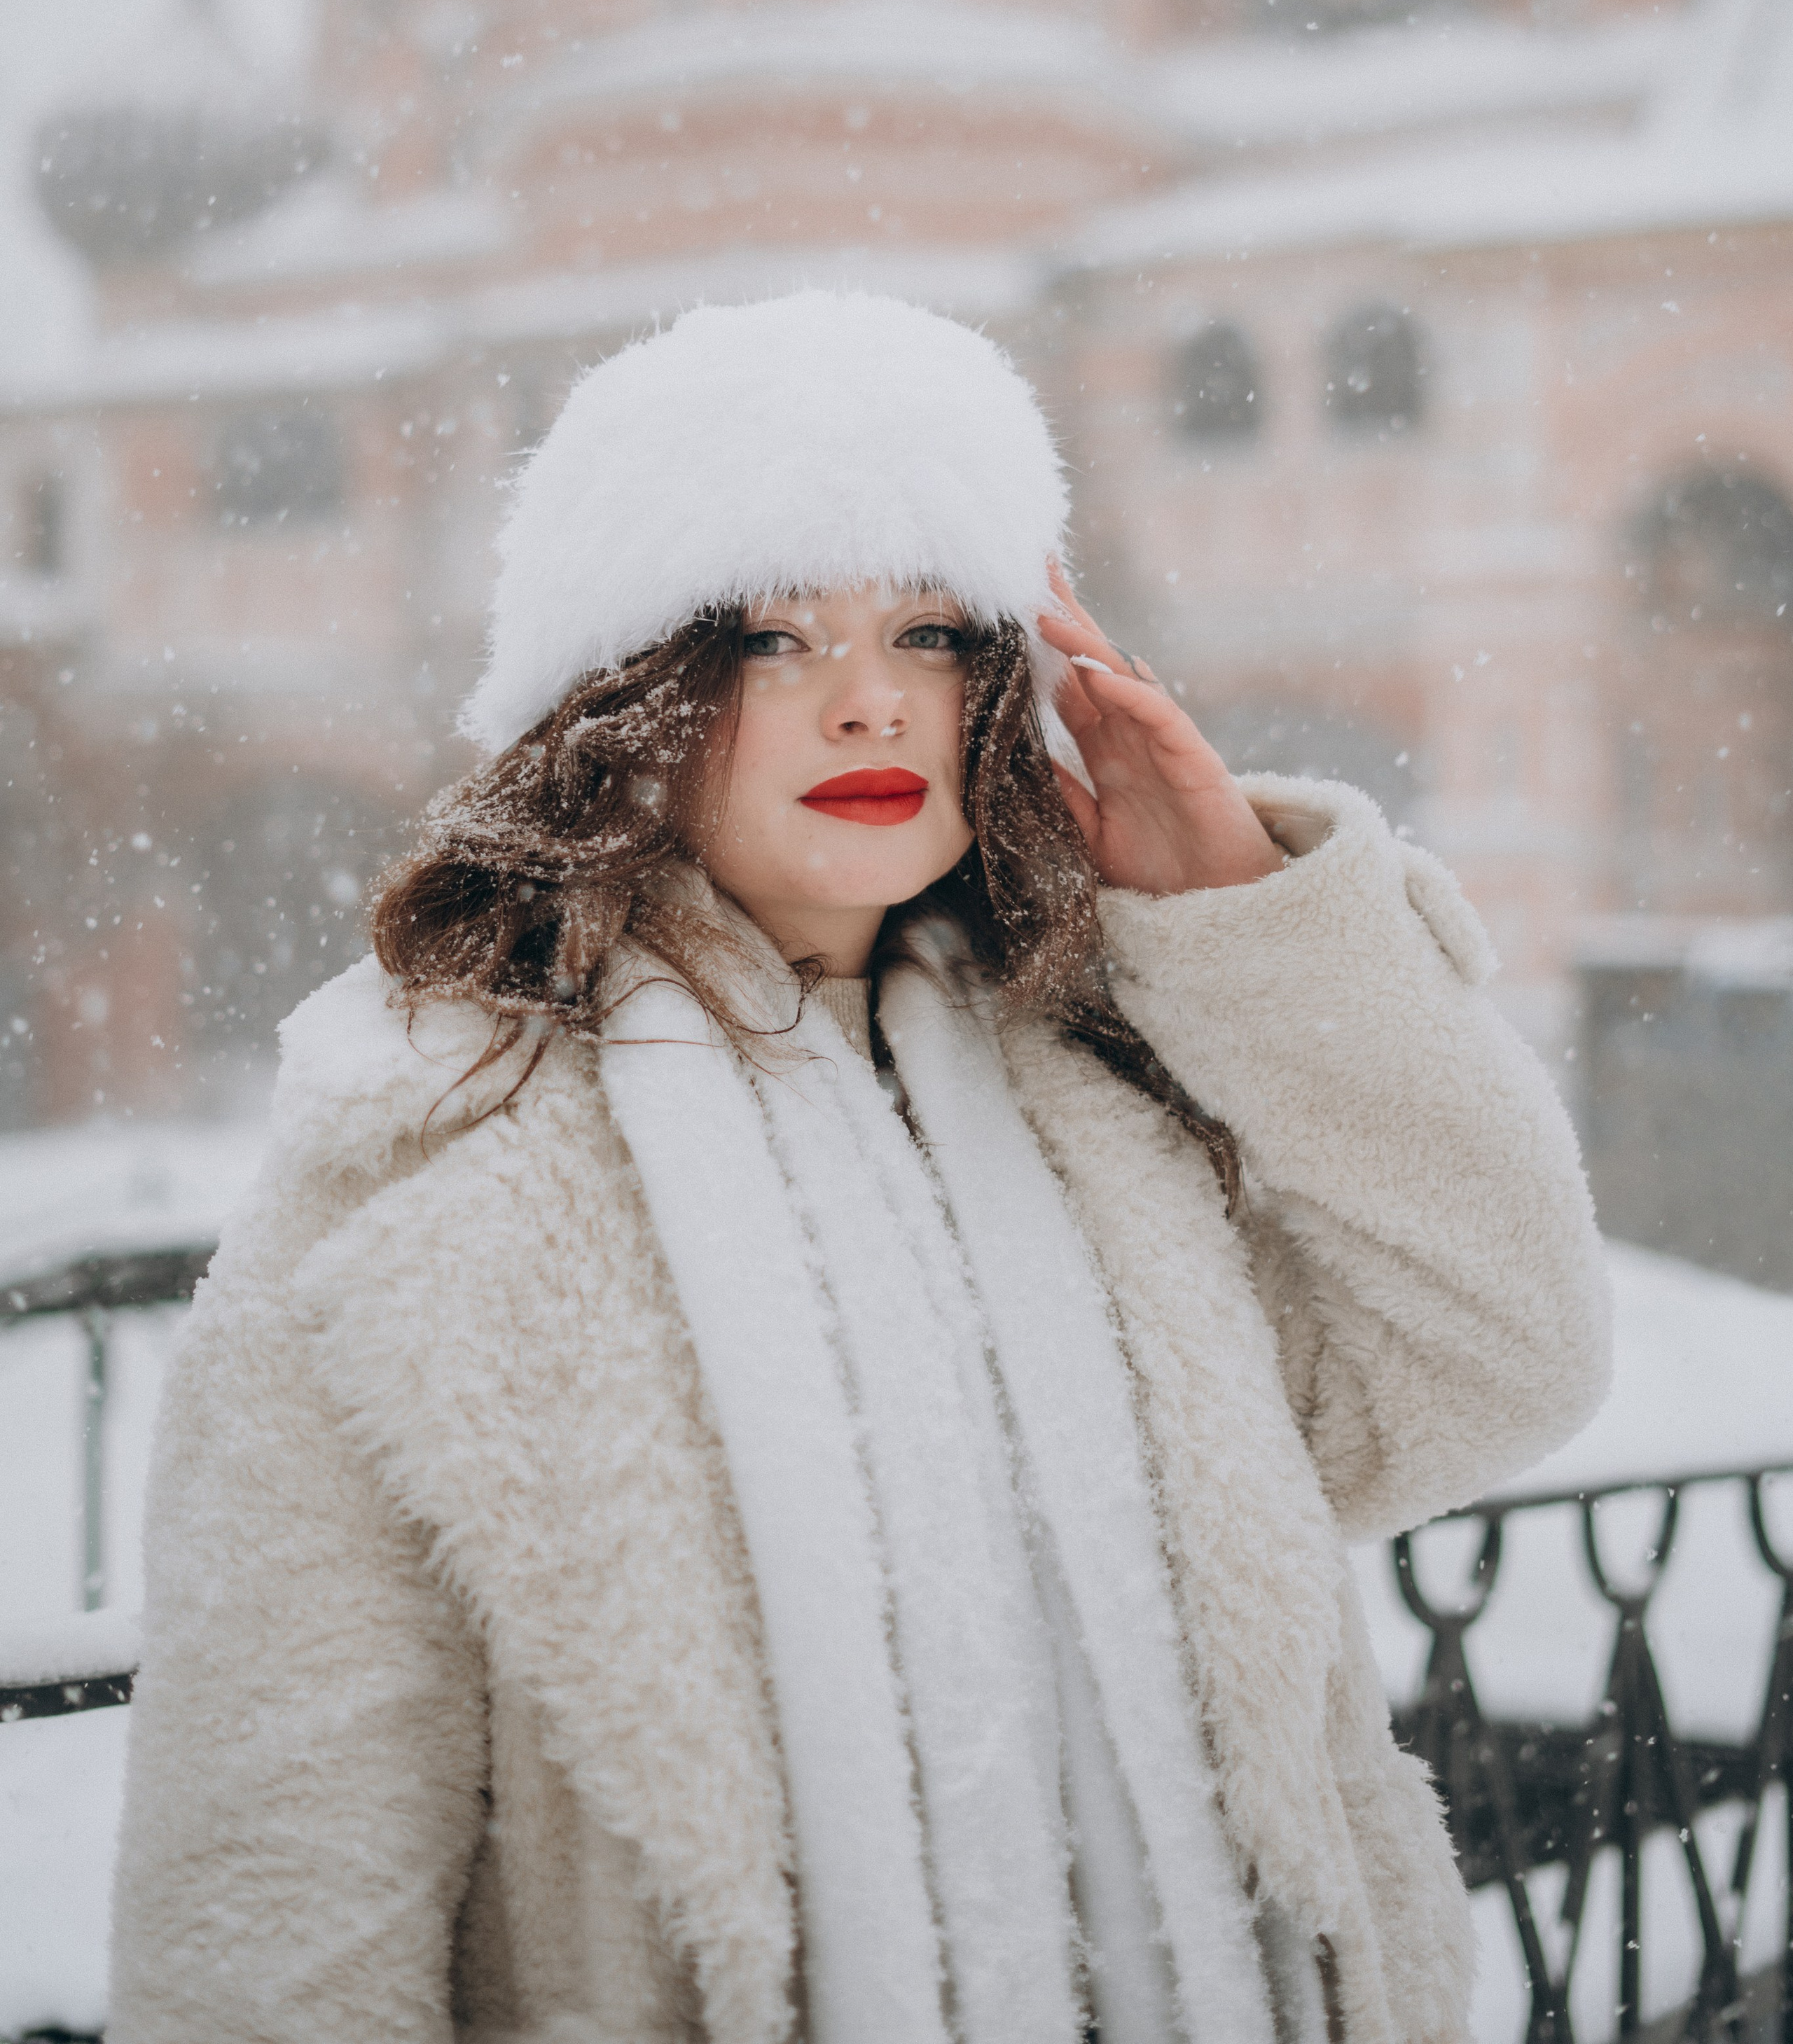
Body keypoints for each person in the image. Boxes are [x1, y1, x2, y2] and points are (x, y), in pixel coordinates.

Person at [109, 291, 1609, 2044]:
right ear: (621, 702)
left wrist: (1236, 914)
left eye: (929, 633)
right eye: (764, 640)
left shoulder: (1111, 1119)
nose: (866, 706)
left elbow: (1503, 1355)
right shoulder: (418, 1193)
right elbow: (281, 1917)